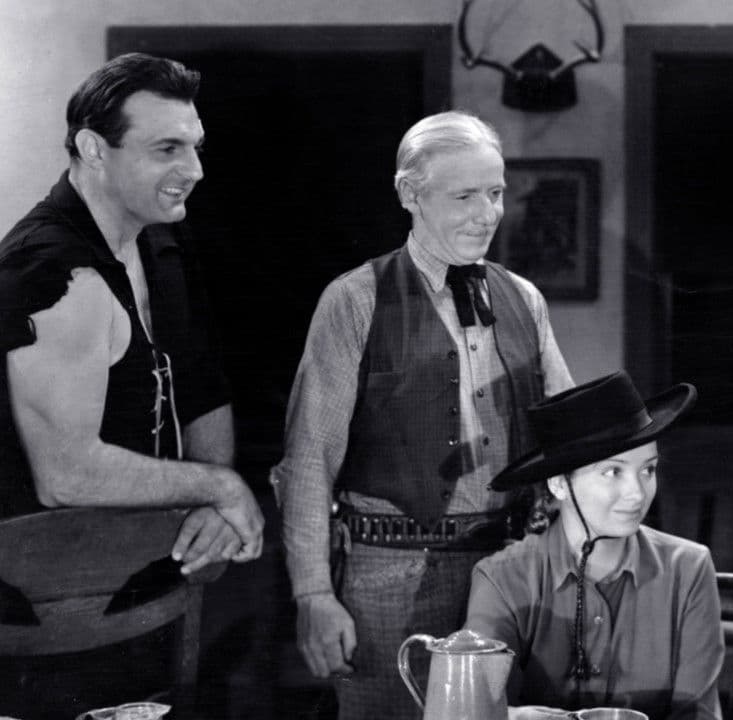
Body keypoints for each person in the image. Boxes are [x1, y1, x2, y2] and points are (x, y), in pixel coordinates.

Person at [272, 110, 574, 720]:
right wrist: (313, 593)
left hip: (507, 572)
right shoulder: (355, 299)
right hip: (388, 578)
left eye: (495, 193)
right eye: (464, 196)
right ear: (410, 195)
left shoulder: (524, 298)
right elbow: (308, 461)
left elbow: (569, 440)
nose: (487, 213)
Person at [0, 52, 263, 718]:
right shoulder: (51, 271)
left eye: (195, 146)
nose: (194, 170)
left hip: (149, 594)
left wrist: (209, 510)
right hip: (38, 618)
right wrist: (219, 488)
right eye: (167, 149)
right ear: (94, 149)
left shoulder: (159, 241)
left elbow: (201, 386)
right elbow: (66, 474)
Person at [464, 371, 723, 719]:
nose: (637, 493)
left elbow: (698, 714)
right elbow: (478, 710)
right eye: (613, 472)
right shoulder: (502, 579)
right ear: (559, 484)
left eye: (648, 470)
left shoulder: (689, 569)